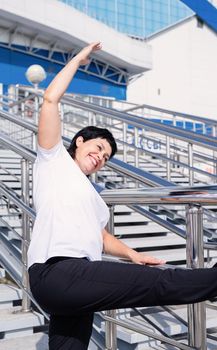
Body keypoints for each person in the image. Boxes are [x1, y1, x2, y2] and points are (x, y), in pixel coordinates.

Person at [28, 42, 217, 350]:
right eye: (98, 148)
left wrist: (132, 254)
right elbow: (50, 100)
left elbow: (101, 238)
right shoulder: (53, 162)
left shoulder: (92, 195)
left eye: (106, 157)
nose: (101, 157)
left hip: (72, 283)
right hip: (60, 271)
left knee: (69, 346)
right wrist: (77, 59)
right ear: (79, 141)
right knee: (160, 283)